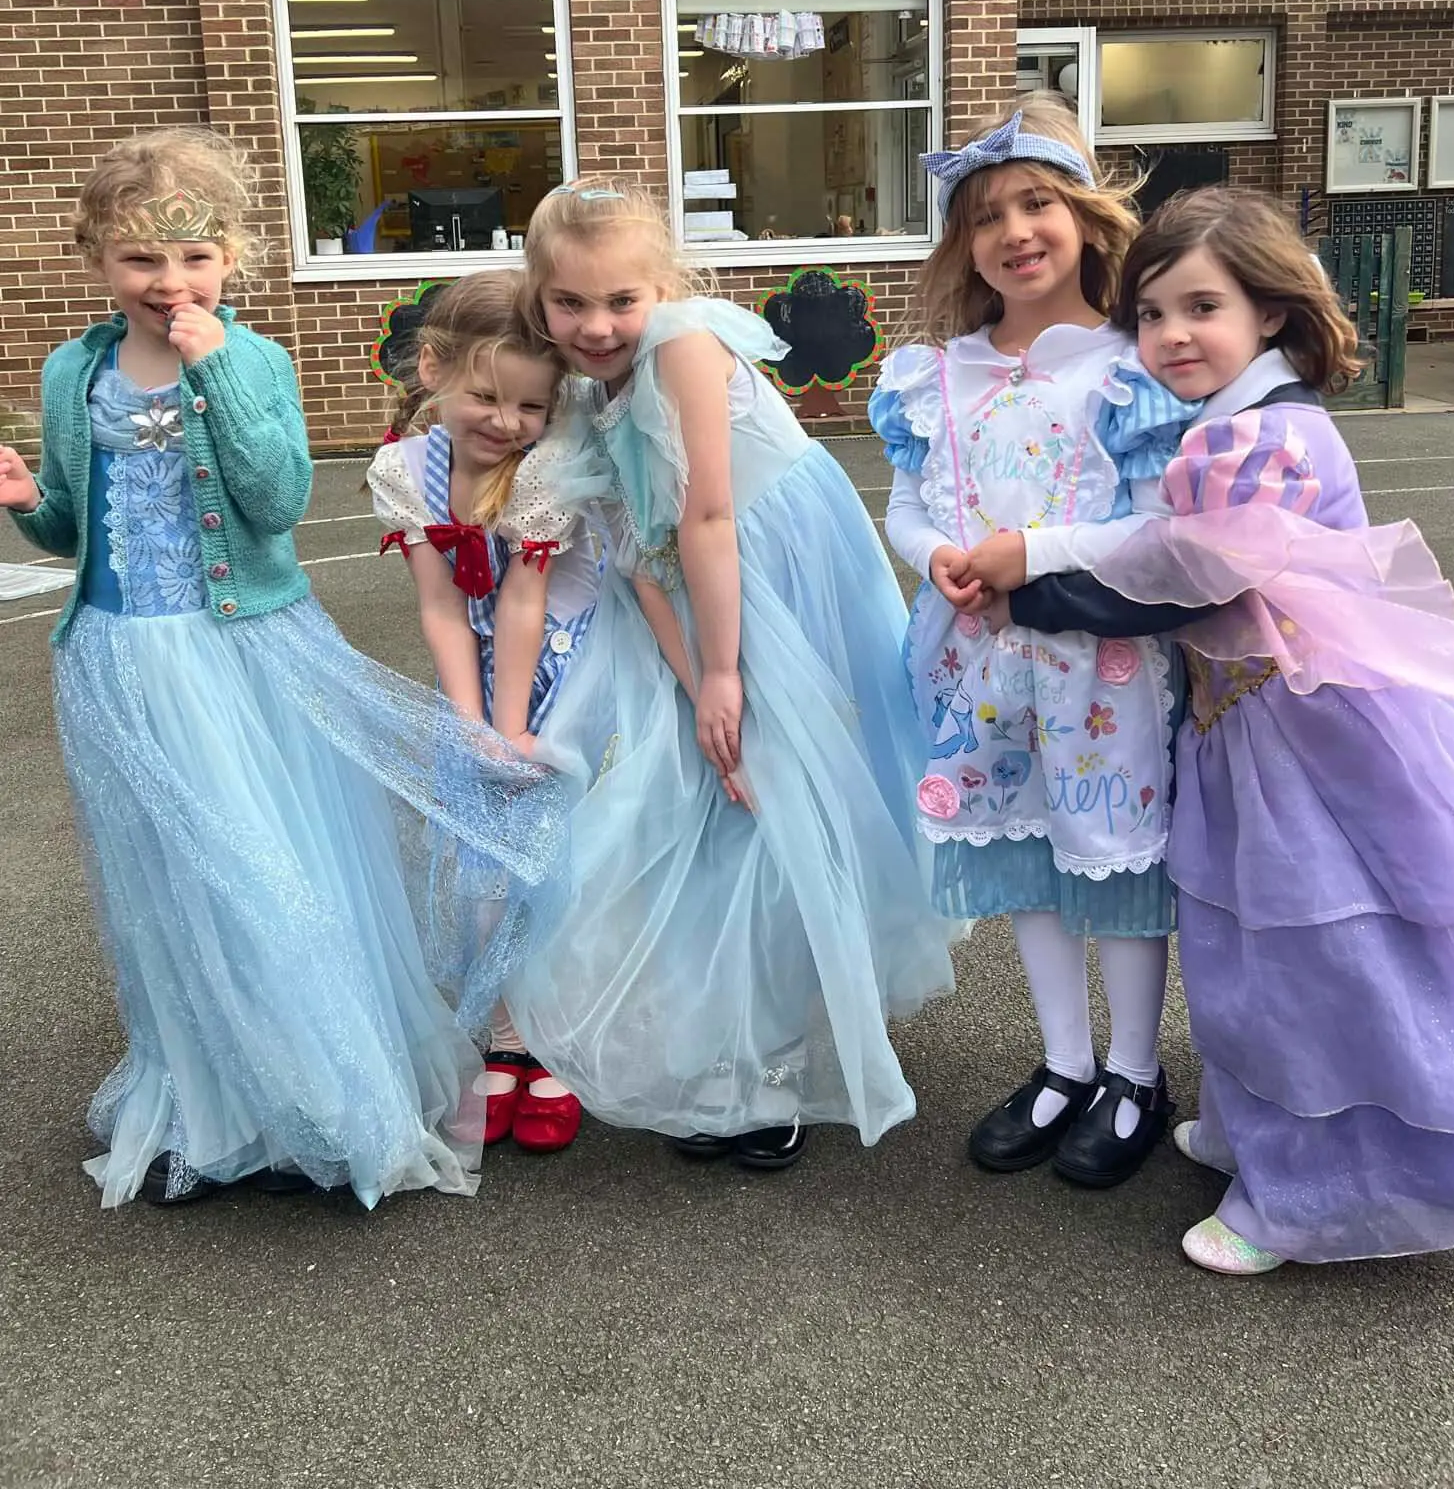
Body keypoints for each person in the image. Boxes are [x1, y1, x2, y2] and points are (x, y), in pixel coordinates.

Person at [0, 130, 555, 1209]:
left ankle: (320, 1100)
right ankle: (211, 1111)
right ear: (97, 262)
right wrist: (27, 501)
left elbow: (273, 501)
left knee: (266, 874)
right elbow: (79, 527)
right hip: (119, 660)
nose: (170, 283)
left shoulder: (251, 359)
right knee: (173, 888)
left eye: (195, 256)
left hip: (243, 651)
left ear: (233, 257)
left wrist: (214, 370)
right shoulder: (73, 370)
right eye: (140, 261)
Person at [964, 186, 1454, 1273]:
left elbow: (1175, 578)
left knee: (1310, 959)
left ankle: (1302, 1197)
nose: (1169, 334)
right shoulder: (1233, 423)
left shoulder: (1268, 435)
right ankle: (1252, 1135)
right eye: (1148, 312)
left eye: (1201, 306)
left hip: (1310, 747)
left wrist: (1027, 575)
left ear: (1270, 311)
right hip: (1255, 731)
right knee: (1240, 945)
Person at [485, 178, 954, 1172]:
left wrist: (727, 673)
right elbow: (640, 553)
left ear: (662, 286)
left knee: (772, 794)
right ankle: (735, 1045)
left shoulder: (686, 345)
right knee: (713, 795)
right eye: (570, 303)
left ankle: (770, 1060)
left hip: (774, 575)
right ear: (540, 297)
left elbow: (705, 515)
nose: (599, 324)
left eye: (622, 299)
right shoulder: (581, 398)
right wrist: (691, 675)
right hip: (695, 593)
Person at [868, 96, 1178, 1190]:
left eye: (1036, 200)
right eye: (986, 213)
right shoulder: (930, 373)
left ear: (1087, 214)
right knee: (1029, 854)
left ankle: (1135, 1072)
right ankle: (1064, 1059)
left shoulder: (1133, 364)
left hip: (1103, 667)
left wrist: (1028, 549)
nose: (1014, 229)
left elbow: (1153, 522)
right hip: (983, 661)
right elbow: (909, 500)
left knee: (1114, 851)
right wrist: (935, 554)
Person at [368, 273, 598, 1154]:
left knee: (562, 855)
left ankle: (557, 1042)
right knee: (481, 866)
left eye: (531, 406)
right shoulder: (404, 469)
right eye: (486, 396)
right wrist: (469, 728)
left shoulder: (543, 470)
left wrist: (510, 729)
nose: (506, 422)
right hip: (478, 671)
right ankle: (506, 1039)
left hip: (558, 668)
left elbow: (525, 603)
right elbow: (439, 606)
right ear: (433, 369)